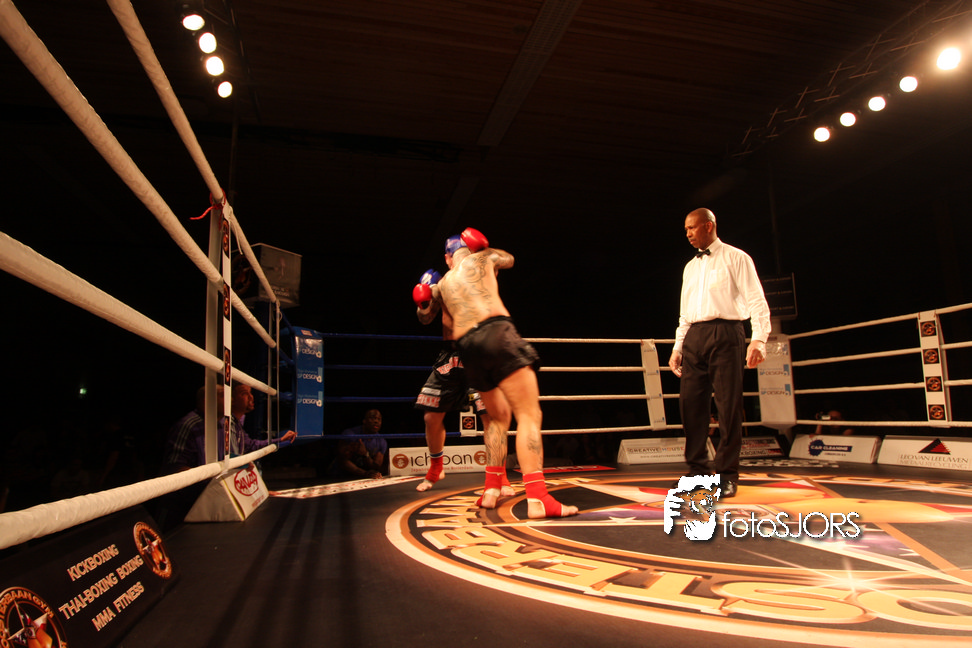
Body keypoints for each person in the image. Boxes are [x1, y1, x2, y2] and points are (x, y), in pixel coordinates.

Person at [433, 227, 577, 519]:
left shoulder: (444, 283)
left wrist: (423, 300)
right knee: (529, 415)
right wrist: (484, 248)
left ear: (448, 258)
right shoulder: (482, 257)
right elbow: (509, 259)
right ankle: (538, 499)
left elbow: (426, 315)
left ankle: (491, 489)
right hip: (496, 332)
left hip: (467, 346)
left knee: (497, 420)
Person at [667, 208, 771, 498]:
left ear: (708, 226)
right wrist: (678, 347)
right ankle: (697, 471)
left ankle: (727, 475)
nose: (688, 234)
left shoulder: (737, 257)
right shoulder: (690, 267)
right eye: (686, 229)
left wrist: (759, 339)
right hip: (695, 335)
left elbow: (756, 300)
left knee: (728, 406)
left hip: (726, 333)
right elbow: (685, 313)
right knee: (691, 405)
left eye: (692, 228)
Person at [411, 244, 514, 495]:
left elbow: (508, 260)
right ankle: (436, 468)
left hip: (478, 349)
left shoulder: (482, 272)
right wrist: (423, 301)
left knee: (490, 417)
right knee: (431, 416)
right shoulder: (442, 284)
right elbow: (425, 318)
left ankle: (500, 477)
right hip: (450, 355)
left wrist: (486, 250)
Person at [227, 383, 298, 456]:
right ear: (231, 399)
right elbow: (230, 457)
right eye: (244, 393)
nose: (251, 397)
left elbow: (250, 446)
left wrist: (280, 439)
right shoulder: (226, 424)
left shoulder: (237, 423)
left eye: (250, 392)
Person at [338, 409, 387, 478]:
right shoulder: (350, 434)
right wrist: (364, 473)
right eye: (372, 418)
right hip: (340, 476)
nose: (376, 421)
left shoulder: (381, 441)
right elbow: (342, 461)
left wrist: (365, 454)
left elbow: (376, 466)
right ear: (364, 421)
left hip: (364, 477)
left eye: (379, 419)